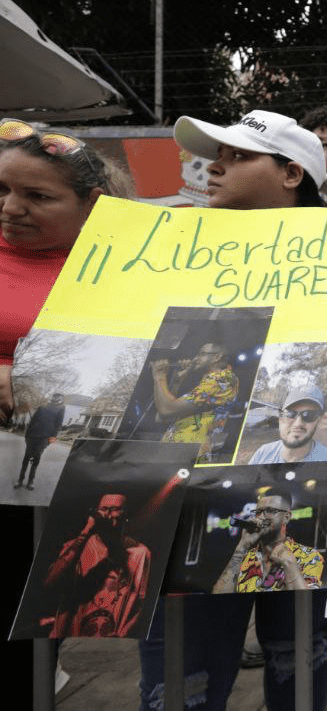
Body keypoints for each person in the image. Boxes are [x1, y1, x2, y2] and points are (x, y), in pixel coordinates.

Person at [138, 109, 327, 711]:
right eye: (213, 153)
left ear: (291, 173)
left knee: (297, 652)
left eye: (239, 156)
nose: (213, 165)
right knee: (181, 673)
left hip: (300, 502)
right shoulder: (172, 245)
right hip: (180, 503)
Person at [0, 119, 132, 706]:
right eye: (2, 190)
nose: (11, 208)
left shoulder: (128, 270)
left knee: (29, 628)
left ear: (92, 206)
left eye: (37, 197)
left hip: (61, 485)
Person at [43, 493, 150, 638]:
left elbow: (141, 605)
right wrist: (87, 530)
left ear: (125, 515)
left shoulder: (139, 553)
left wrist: (122, 634)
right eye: (103, 509)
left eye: (114, 509)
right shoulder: (78, 546)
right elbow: (50, 581)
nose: (107, 514)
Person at [213, 487, 324, 593]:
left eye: (269, 511)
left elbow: (308, 602)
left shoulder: (309, 556)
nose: (261, 516)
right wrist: (241, 547)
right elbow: (218, 599)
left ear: (286, 517)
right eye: (258, 512)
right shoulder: (245, 557)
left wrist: (290, 565)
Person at [151, 340, 238, 461]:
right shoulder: (206, 383)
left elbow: (165, 409)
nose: (195, 358)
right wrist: (177, 383)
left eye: (202, 354)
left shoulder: (221, 380)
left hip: (187, 456)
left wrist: (159, 376)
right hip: (175, 453)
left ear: (216, 357)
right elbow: (161, 417)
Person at [247, 386, 327, 464]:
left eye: (309, 415)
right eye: (290, 414)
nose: (298, 423)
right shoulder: (262, 453)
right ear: (280, 419)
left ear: (318, 421)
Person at [15, 391, 64, 489]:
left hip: (44, 438)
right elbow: (32, 420)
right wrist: (27, 435)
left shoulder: (61, 408)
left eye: (59, 396)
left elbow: (58, 425)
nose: (56, 397)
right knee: (26, 459)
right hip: (32, 436)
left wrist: (51, 440)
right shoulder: (43, 407)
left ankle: (30, 482)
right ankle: (20, 480)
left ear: (61, 398)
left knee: (35, 460)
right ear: (53, 396)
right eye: (55, 395)